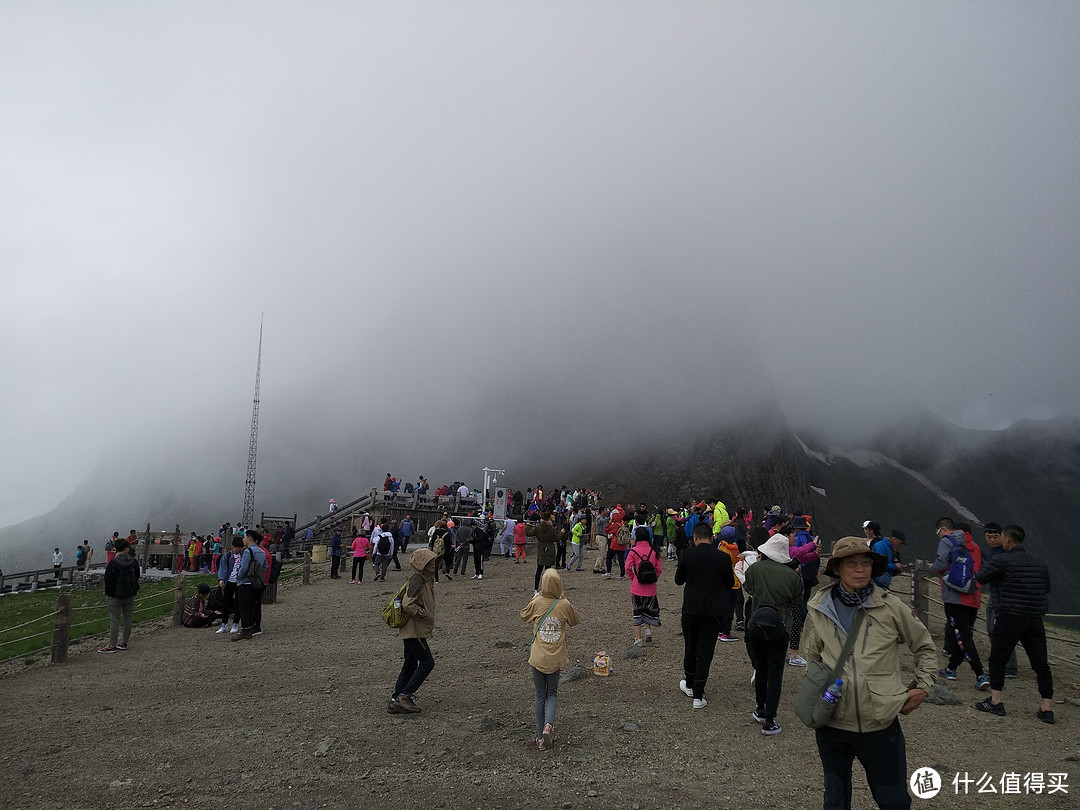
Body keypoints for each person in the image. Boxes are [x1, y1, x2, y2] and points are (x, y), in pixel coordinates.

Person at [802, 536, 936, 810]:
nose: (860, 569)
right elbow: (812, 654)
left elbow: (924, 645)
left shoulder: (890, 606)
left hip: (879, 722)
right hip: (832, 722)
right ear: (837, 569)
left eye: (865, 563)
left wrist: (924, 686)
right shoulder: (819, 606)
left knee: (893, 800)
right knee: (835, 800)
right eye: (851, 563)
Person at [973, 524, 1055, 723]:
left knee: (998, 658)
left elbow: (980, 576)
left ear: (1007, 540)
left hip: (1009, 615)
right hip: (1034, 618)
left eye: (1000, 537)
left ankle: (995, 702)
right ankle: (1047, 707)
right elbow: (1047, 587)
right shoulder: (1039, 562)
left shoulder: (1002, 560)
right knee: (1040, 663)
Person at [742, 533, 803, 736]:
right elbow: (796, 601)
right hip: (780, 626)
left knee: (760, 667)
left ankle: (760, 708)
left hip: (757, 622)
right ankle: (770, 719)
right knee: (775, 672)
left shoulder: (756, 569)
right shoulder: (793, 576)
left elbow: (748, 588)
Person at [674, 522, 735, 709]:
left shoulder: (687, 554)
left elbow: (678, 580)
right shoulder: (723, 558)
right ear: (712, 537)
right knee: (706, 650)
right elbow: (730, 582)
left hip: (691, 608)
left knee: (690, 646)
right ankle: (699, 696)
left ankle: (690, 683)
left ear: (695, 537)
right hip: (714, 610)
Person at [520, 568, 582, 750]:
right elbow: (576, 620)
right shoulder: (563, 605)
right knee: (552, 693)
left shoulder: (537, 602)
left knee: (540, 694)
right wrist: (564, 599)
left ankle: (540, 738)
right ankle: (549, 726)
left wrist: (535, 598)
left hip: (538, 656)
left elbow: (523, 615)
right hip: (555, 657)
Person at [930, 517, 989, 689]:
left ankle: (980, 674)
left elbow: (940, 564)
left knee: (963, 636)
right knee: (963, 633)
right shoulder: (975, 546)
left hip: (955, 596)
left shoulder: (947, 541)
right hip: (973, 594)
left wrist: (932, 567)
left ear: (942, 530)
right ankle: (951, 668)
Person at [388, 548, 439, 715]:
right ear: (422, 564)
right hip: (414, 630)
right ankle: (405, 695)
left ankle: (396, 700)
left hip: (411, 630)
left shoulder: (424, 579)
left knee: (410, 665)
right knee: (427, 662)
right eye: (430, 562)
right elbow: (407, 604)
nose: (434, 564)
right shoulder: (418, 580)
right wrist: (423, 614)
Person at [981, 523, 1018, 678]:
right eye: (988, 537)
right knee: (991, 629)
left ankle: (1009, 667)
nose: (992, 540)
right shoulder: (993, 552)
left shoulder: (1005, 553)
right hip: (994, 594)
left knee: (1000, 631)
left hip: (1004, 596)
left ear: (1002, 537)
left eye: (995, 537)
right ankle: (1001, 663)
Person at [98, 537, 140, 653]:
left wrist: (109, 591)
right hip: (130, 594)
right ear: (126, 548)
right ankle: (124, 642)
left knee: (114, 619)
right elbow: (137, 576)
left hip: (114, 595)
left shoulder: (113, 563)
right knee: (128, 619)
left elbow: (108, 579)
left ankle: (112, 645)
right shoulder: (134, 562)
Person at [627, 527, 663, 646]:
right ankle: (648, 630)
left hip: (637, 587)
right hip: (651, 587)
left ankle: (638, 638)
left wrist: (634, 578)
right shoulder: (654, 551)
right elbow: (659, 569)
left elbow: (628, 567)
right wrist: (654, 578)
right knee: (649, 610)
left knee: (637, 611)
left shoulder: (633, 551)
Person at [231, 529, 268, 641]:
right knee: (253, 606)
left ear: (249, 538)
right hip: (256, 584)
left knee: (244, 607)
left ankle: (246, 630)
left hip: (246, 582)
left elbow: (244, 568)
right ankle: (253, 627)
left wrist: (238, 576)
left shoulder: (248, 552)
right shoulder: (262, 552)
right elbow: (265, 567)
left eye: (245, 537)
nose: (243, 539)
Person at [216, 537, 244, 634]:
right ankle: (224, 624)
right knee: (226, 603)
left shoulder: (244, 555)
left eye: (241, 547)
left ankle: (235, 624)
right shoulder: (227, 556)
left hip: (240, 582)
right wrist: (221, 579)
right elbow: (222, 568)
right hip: (230, 582)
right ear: (234, 547)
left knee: (239, 603)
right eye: (238, 547)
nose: (240, 549)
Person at [526, 511, 558, 594]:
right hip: (549, 549)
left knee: (538, 570)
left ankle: (536, 589)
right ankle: (547, 588)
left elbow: (528, 533)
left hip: (541, 549)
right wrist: (561, 533)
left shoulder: (537, 527)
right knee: (548, 572)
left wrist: (528, 526)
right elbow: (557, 538)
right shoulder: (551, 529)